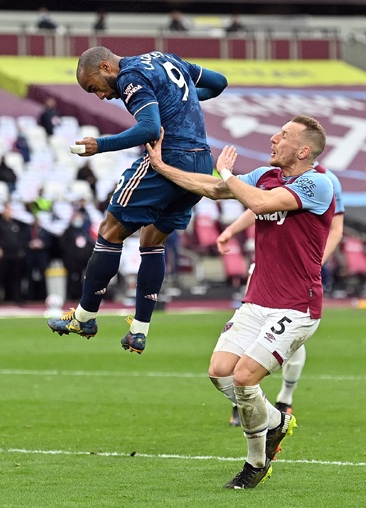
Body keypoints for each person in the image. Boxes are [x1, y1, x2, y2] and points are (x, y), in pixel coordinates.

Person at [146, 116, 333, 488]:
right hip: (258, 300)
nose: (273, 137)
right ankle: (278, 421)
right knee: (219, 372)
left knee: (245, 376)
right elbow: (215, 189)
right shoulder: (265, 175)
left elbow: (261, 205)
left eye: (284, 135)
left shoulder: (318, 183)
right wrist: (163, 167)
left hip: (297, 306)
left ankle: (255, 463)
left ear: (303, 150)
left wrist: (228, 174)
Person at [47, 47, 227, 354]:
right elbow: (219, 82)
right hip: (201, 162)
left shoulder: (130, 76)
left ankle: (85, 317)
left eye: (96, 88)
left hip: (169, 157)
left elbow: (148, 128)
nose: (101, 96)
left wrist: (99, 145)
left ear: (106, 66)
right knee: (152, 240)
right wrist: (177, 99)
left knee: (110, 228)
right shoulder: (166, 58)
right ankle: (139, 331)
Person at [217, 160, 345, 427]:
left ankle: (284, 399)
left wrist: (314, 262)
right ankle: (245, 403)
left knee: (290, 340)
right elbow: (259, 204)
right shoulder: (271, 175)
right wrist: (231, 230)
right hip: (264, 270)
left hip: (297, 278)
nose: (277, 142)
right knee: (236, 351)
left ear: (304, 149)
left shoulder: (326, 181)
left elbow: (336, 228)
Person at [0, 204, 27, 304]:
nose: (9, 213)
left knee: (16, 278)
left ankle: (17, 298)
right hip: (4, 254)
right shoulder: (0, 224)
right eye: (7, 211)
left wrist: (21, 249)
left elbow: (21, 238)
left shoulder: (16, 224)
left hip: (15, 255)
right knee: (1, 277)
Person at [59, 212, 94, 300]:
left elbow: (90, 243)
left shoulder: (84, 231)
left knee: (83, 278)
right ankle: (71, 296)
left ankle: (81, 295)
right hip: (71, 260)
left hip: (83, 260)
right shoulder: (68, 231)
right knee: (72, 278)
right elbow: (63, 245)